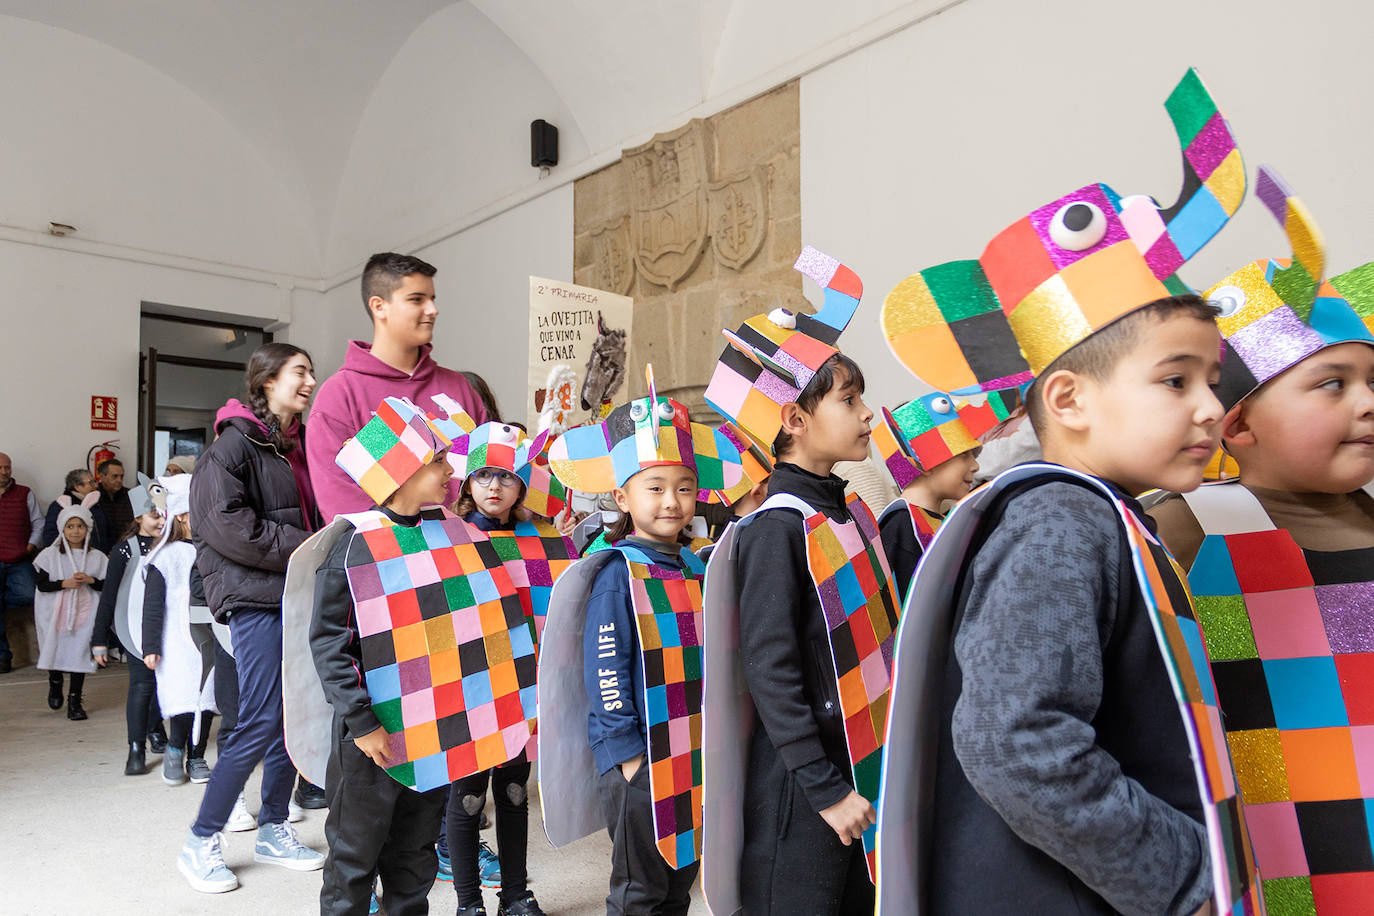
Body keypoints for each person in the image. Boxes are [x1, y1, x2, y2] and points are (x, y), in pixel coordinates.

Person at [873, 74, 1260, 916]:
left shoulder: (1112, 514)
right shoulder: (1061, 521)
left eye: (1213, 378)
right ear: (1070, 400)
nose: (1209, 406)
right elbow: (1016, 742)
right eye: (1175, 379)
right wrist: (1183, 877)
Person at [1149, 170, 1374, 913]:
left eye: (1373, 379)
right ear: (1237, 424)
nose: (1369, 402)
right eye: (1332, 384)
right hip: (1285, 873)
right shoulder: (1187, 529)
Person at [698, 248, 896, 916]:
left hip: (862, 759)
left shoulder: (853, 509)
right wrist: (824, 787)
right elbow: (772, 669)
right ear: (793, 420)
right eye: (849, 400)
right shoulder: (775, 530)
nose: (868, 413)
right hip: (805, 785)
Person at [539, 370, 743, 916]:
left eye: (683, 487)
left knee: (680, 880)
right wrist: (627, 756)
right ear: (622, 496)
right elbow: (606, 665)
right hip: (640, 759)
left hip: (693, 748)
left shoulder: (701, 565)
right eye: (654, 488)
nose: (671, 502)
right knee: (640, 892)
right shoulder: (616, 572)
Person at [177, 342, 325, 894]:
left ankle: (273, 826)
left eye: (312, 372)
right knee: (261, 719)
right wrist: (310, 545)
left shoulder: (299, 445)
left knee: (295, 717)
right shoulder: (232, 446)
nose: (310, 381)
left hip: (298, 591)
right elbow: (224, 526)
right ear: (266, 381)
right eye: (300, 372)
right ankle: (200, 839)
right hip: (255, 595)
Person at [310, 398, 458, 915]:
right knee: (355, 856)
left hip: (432, 727)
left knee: (414, 857)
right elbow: (331, 642)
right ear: (402, 469)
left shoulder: (446, 535)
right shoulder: (352, 543)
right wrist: (361, 721)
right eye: (438, 460)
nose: (449, 469)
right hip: (372, 738)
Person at [441, 406, 573, 916]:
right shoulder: (449, 536)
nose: (494, 486)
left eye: (506, 476)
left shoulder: (541, 542)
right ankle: (469, 902)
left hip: (523, 681)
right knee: (469, 793)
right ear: (467, 481)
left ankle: (515, 895)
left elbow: (562, 601)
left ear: (522, 485)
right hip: (471, 680)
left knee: (515, 789)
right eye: (483, 475)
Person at [307, 252, 489, 522]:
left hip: (472, 553)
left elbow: (491, 469)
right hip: (391, 558)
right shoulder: (342, 395)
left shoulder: (457, 387)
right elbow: (343, 503)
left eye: (432, 299)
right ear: (379, 306)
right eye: (417, 299)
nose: (432, 310)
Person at [871, 392, 1011, 602]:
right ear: (921, 461)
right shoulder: (901, 524)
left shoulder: (940, 519)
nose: (975, 466)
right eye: (965, 455)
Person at [140, 474, 218, 786]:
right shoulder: (166, 556)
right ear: (184, 516)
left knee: (207, 696)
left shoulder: (211, 551)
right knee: (184, 698)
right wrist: (150, 645)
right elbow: (153, 605)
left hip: (208, 635)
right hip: (176, 639)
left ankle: (197, 755)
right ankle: (175, 749)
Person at [92, 479, 169, 774]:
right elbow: (108, 597)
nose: (161, 520)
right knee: (142, 684)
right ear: (138, 517)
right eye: (154, 515)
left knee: (163, 682)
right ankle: (135, 748)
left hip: (166, 626)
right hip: (134, 628)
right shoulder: (124, 551)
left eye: (164, 513)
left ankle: (155, 726)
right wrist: (99, 639)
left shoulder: (171, 546)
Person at [32, 491, 105, 719]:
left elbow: (105, 585)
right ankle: (55, 681)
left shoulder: (97, 558)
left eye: (80, 526)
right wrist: (64, 583)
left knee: (79, 652)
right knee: (56, 647)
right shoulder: (49, 555)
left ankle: (75, 700)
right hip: (56, 613)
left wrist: (91, 580)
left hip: (85, 613)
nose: (75, 531)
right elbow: (42, 585)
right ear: (62, 529)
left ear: (88, 529)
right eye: (70, 526)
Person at [0, 451, 44, 673]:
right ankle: (2, 656)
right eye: (0, 468)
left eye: (7, 467)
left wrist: (30, 546)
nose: (4, 472)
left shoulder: (25, 493)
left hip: (20, 559)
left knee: (30, 594)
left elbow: (38, 523)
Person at [42, 468, 109, 552]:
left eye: (95, 482)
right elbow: (50, 537)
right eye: (91, 483)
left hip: (98, 557)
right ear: (77, 487)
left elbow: (109, 531)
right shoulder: (59, 506)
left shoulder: (97, 504)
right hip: (67, 557)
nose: (96, 486)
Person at [96, 458, 134, 552]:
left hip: (127, 549)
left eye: (121, 476)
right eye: (115, 476)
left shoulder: (130, 495)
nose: (119, 480)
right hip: (101, 552)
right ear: (102, 476)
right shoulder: (94, 498)